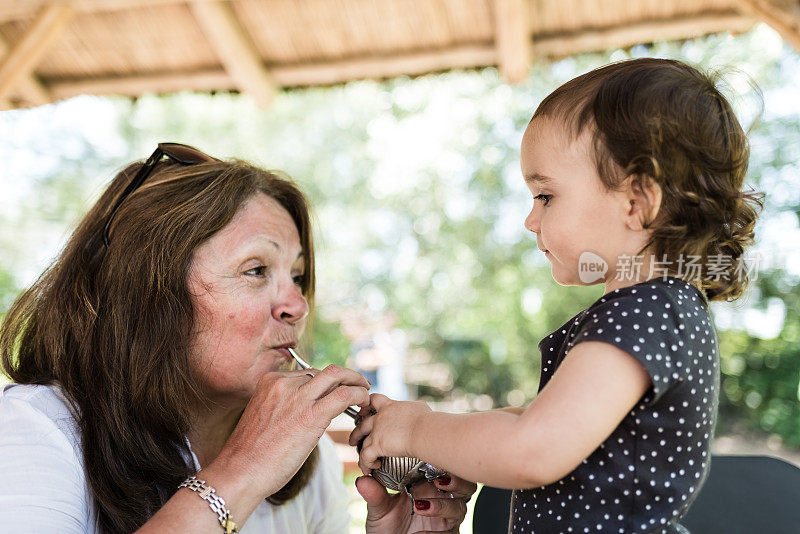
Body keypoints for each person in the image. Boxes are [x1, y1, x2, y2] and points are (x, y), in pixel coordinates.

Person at [352, 58, 763, 533]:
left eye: (545, 196)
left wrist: (417, 430)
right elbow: (543, 418)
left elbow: (532, 445)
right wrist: (450, 443)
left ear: (637, 201)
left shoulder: (647, 313)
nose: (531, 220)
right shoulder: (655, 312)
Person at [0, 143, 475, 533]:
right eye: (256, 270)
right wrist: (244, 469)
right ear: (148, 292)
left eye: (297, 276)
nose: (298, 305)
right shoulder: (36, 431)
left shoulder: (309, 471)